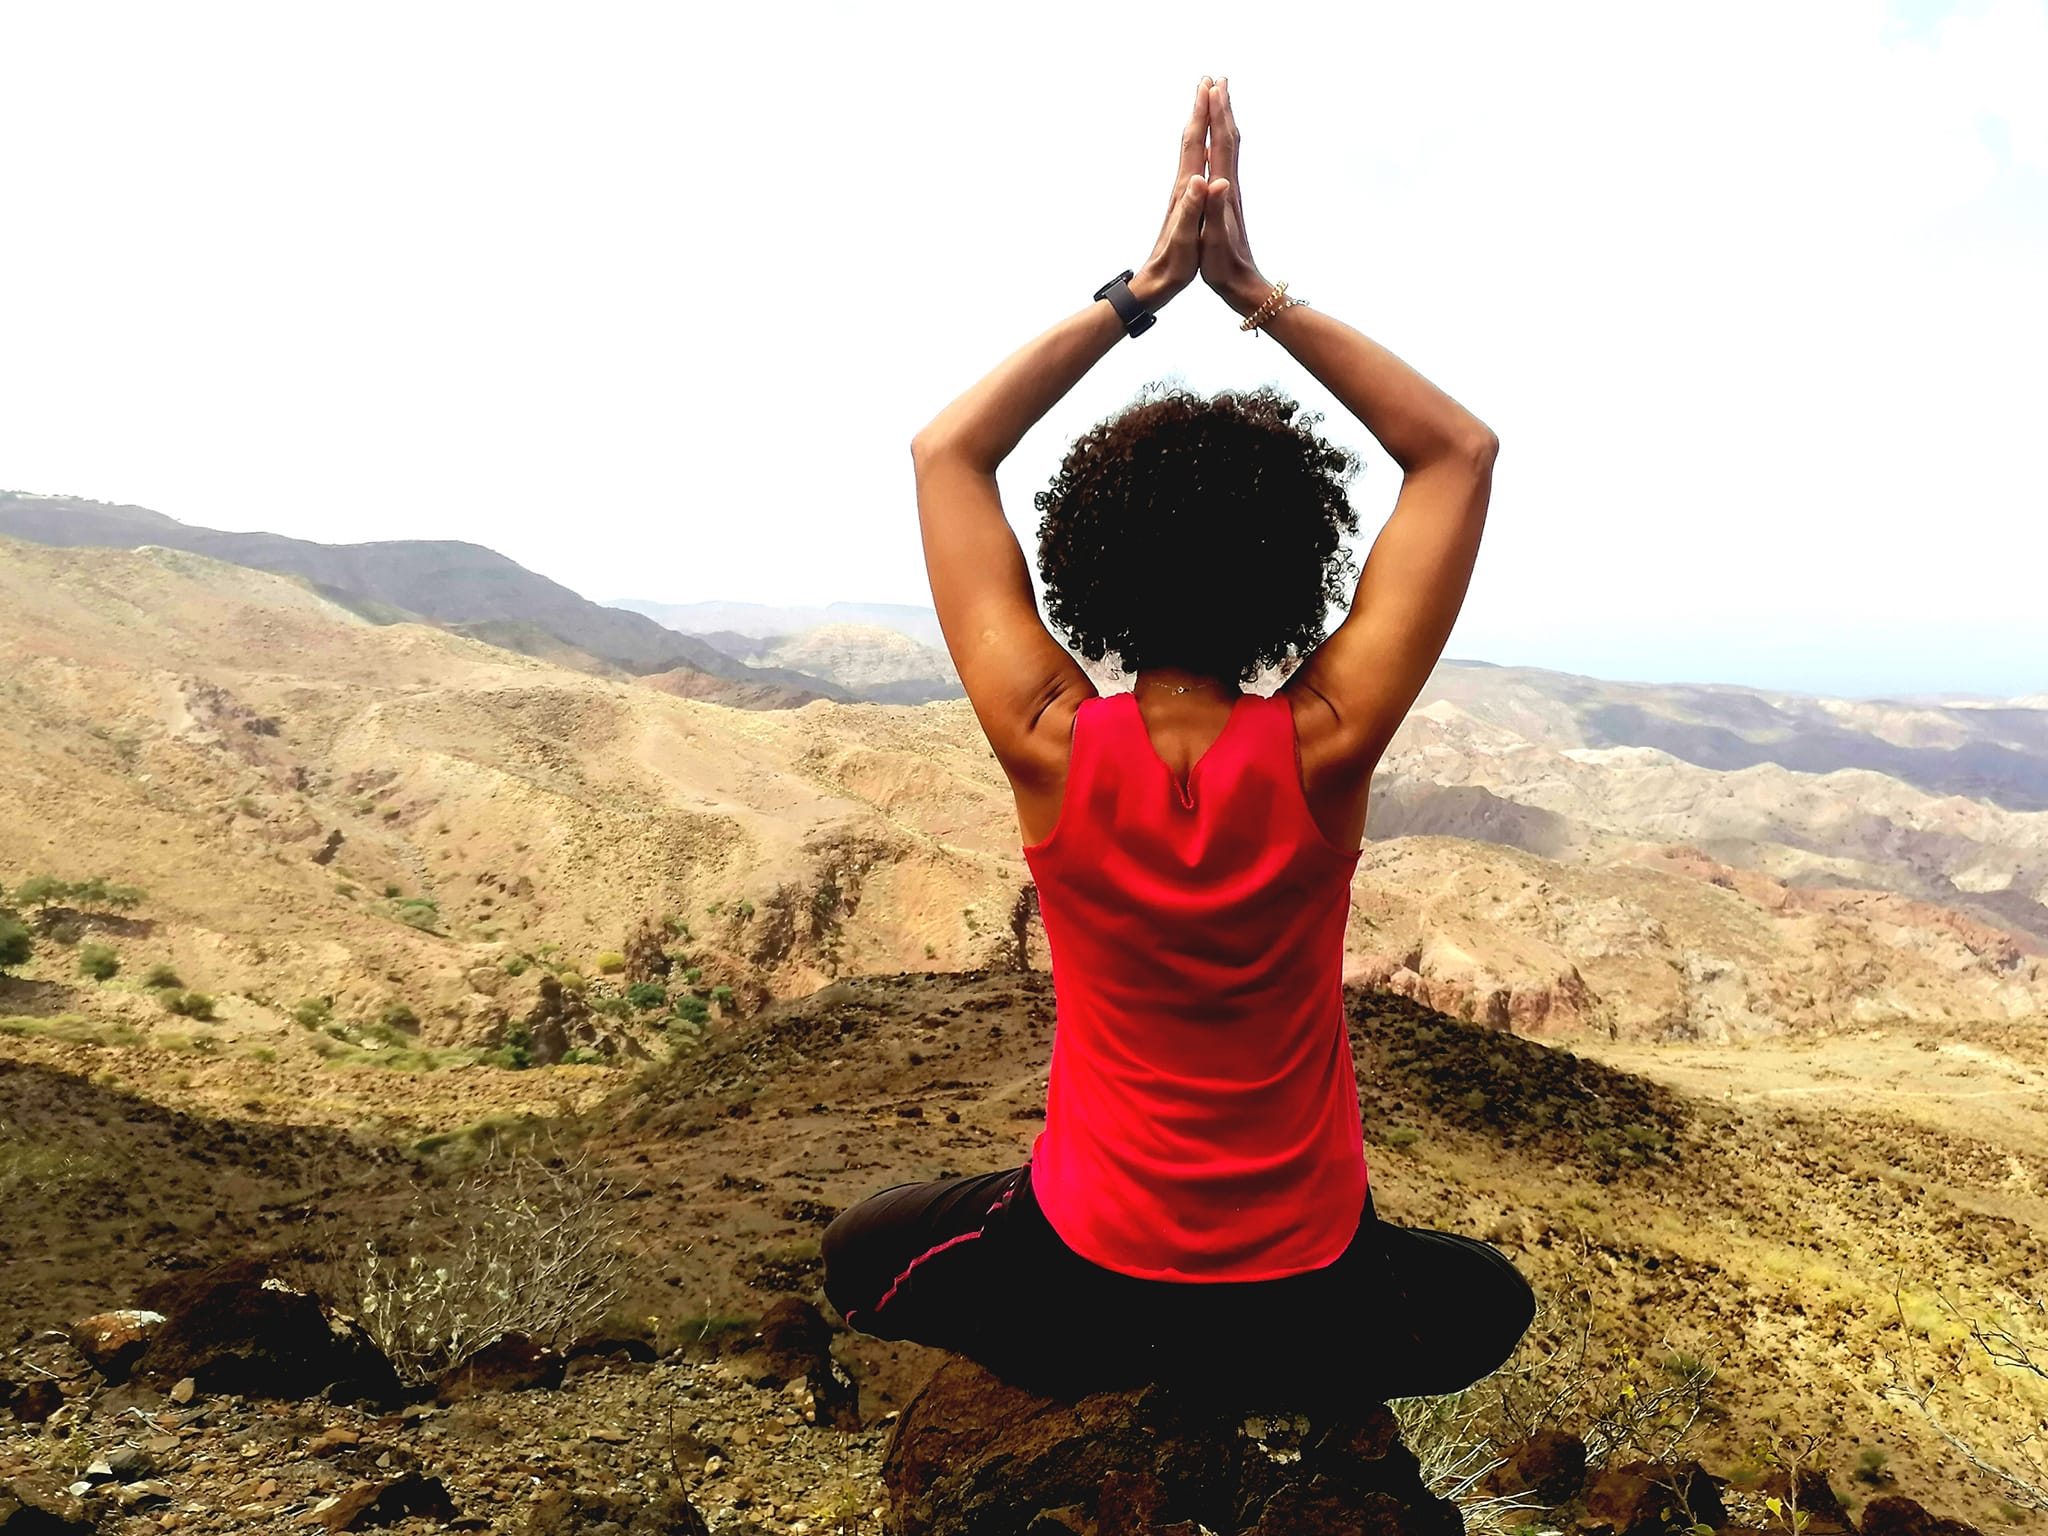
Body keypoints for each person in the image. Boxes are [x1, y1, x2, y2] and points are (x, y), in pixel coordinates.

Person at [821, 76, 1534, 1404]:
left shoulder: (1048, 739)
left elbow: (946, 456)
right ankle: (1255, 1372)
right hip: (1303, 1281)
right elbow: (1457, 453)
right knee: (1490, 1303)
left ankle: (1121, 1356)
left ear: (1085, 561)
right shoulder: (1325, 745)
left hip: (1088, 1266)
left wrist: (1139, 293)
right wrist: (1254, 292)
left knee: (861, 1252)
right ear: (1298, 570)